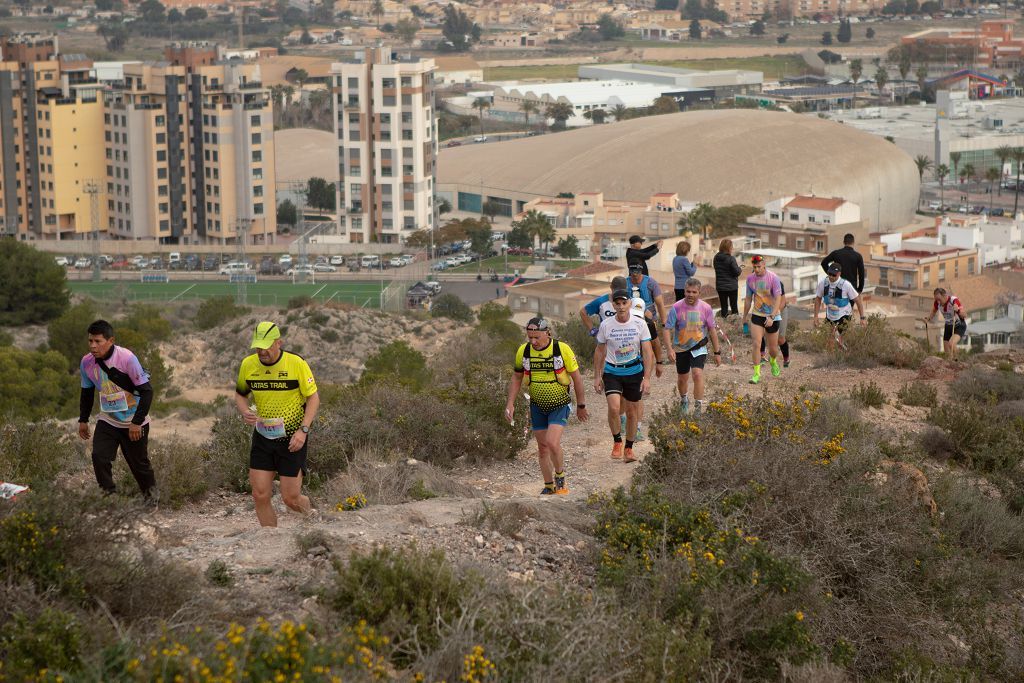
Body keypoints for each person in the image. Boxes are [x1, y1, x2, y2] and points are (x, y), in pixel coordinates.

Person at [235, 321, 320, 527]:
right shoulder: (248, 364)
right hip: (263, 437)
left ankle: (313, 519)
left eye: (266, 346)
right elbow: (240, 394)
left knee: (290, 499)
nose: (261, 351)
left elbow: (313, 398)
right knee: (259, 494)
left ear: (278, 343)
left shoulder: (296, 363)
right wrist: (245, 411)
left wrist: (303, 430)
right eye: (258, 346)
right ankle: (269, 537)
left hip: (292, 438)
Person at [505, 317, 588, 495]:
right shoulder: (524, 351)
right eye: (530, 338)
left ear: (547, 333)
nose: (533, 341)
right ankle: (548, 485)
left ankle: (560, 478)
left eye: (537, 337)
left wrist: (581, 405)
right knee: (542, 448)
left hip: (559, 403)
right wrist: (510, 403)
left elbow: (577, 378)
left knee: (552, 442)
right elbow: (517, 377)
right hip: (537, 405)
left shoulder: (561, 349)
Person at [78, 319, 157, 499]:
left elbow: (147, 391)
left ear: (111, 340)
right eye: (90, 341)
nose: (93, 346)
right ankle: (109, 498)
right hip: (108, 419)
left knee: (139, 464)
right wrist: (83, 420)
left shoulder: (127, 358)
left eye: (98, 341)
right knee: (99, 457)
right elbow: (86, 393)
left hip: (134, 421)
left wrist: (136, 422)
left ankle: (152, 500)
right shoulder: (86, 362)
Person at [593, 289, 654, 463]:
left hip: (634, 371)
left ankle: (629, 448)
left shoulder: (639, 324)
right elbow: (599, 351)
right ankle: (617, 441)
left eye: (624, 303)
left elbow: (647, 352)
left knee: (632, 412)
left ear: (630, 304)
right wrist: (597, 376)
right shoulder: (606, 325)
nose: (621, 307)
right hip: (612, 371)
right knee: (614, 408)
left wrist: (647, 378)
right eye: (617, 303)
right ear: (613, 305)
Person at [662, 278, 721, 416]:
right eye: (688, 291)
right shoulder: (676, 307)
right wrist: (669, 349)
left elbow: (712, 330)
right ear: (684, 291)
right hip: (681, 348)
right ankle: (684, 400)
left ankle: (698, 409)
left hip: (699, 347)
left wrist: (717, 352)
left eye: (694, 292)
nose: (690, 294)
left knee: (697, 374)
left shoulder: (706, 308)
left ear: (699, 293)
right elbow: (667, 329)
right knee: (682, 378)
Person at [742, 255, 784, 385]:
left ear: (764, 264)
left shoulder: (773, 278)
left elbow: (778, 298)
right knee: (756, 344)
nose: (756, 269)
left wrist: (772, 316)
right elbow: (748, 299)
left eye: (759, 266)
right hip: (757, 314)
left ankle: (773, 361)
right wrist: (744, 317)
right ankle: (756, 373)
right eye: (754, 267)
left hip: (772, 315)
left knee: (773, 349)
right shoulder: (750, 279)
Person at [813, 263, 866, 349]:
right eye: (829, 274)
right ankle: (842, 350)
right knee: (832, 338)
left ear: (839, 274)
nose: (831, 276)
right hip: (830, 315)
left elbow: (858, 300)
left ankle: (838, 353)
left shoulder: (846, 285)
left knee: (833, 337)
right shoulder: (823, 283)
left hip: (844, 315)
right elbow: (818, 299)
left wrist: (862, 318)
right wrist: (815, 316)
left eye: (834, 275)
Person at [628, 263, 669, 370]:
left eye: (637, 272)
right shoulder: (625, 283)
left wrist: (664, 323)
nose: (635, 274)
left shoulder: (651, 283)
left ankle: (658, 362)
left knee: (652, 342)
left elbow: (660, 304)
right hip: (631, 319)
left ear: (641, 271)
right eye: (632, 272)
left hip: (649, 319)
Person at [923, 288, 967, 359]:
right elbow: (933, 311)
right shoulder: (937, 303)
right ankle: (950, 362)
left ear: (945, 296)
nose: (938, 301)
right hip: (948, 326)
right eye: (936, 299)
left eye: (939, 299)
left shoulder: (954, 300)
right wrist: (928, 319)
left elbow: (964, 315)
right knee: (946, 351)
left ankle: (958, 360)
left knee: (951, 344)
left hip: (958, 325)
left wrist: (958, 310)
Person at [759, 281, 792, 367]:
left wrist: (774, 314)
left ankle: (786, 359)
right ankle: (762, 356)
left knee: (780, 338)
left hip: (780, 310)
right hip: (765, 310)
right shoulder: (757, 284)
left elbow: (783, 302)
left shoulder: (777, 283)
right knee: (760, 333)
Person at [713, 239, 743, 318]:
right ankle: (735, 323)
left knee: (724, 307)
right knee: (734, 307)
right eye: (731, 247)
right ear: (729, 248)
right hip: (731, 287)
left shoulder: (716, 257)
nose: (732, 248)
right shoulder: (731, 258)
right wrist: (740, 268)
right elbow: (737, 272)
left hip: (720, 286)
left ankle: (724, 322)